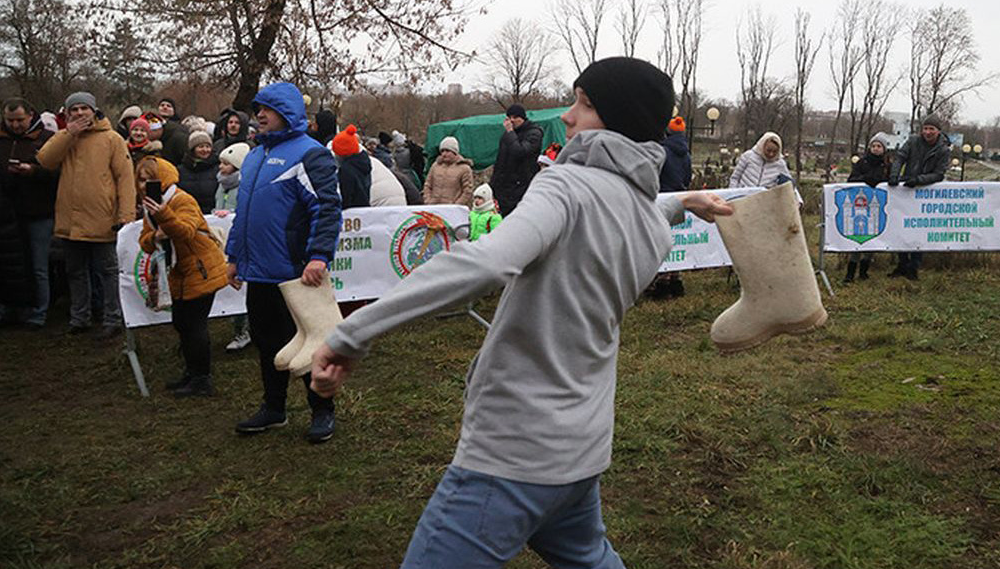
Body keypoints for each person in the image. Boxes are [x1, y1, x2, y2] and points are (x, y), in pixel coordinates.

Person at [308, 57, 733, 568]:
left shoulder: (565, 186)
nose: (569, 117)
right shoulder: (649, 220)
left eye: (585, 104)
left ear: (618, 119)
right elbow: (642, 204)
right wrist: (684, 199)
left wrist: (351, 332)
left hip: (515, 453)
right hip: (581, 445)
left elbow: (486, 261)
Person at [224, 81, 342, 443]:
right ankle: (273, 408)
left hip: (295, 273)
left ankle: (322, 410)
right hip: (258, 272)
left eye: (268, 109)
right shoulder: (256, 155)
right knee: (268, 343)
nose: (259, 114)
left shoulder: (310, 153)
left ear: (287, 113)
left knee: (311, 345)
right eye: (258, 108)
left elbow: (327, 208)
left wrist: (319, 256)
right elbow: (243, 213)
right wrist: (234, 257)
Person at [36, 92, 136, 338]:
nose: (80, 113)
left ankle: (113, 318)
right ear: (68, 113)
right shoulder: (66, 138)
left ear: (94, 111)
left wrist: (126, 215)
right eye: (74, 109)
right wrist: (69, 133)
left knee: (108, 272)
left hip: (103, 218)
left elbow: (125, 178)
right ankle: (79, 317)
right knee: (75, 271)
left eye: (84, 109)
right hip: (71, 219)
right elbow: (45, 160)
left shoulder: (112, 139)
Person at [136, 156, 228, 397]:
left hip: (201, 268)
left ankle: (202, 380)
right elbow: (145, 241)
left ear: (163, 179)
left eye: (150, 180)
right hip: (179, 271)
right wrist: (154, 237)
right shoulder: (150, 208)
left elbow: (185, 232)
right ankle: (192, 373)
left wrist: (165, 215)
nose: (145, 185)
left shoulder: (181, 200)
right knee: (181, 323)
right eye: (142, 180)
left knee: (194, 325)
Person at [0, 98, 57, 329]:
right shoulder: (1, 140)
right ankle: (8, 308)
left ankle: (38, 312)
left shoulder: (47, 141)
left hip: (38, 211)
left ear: (31, 116)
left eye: (19, 120)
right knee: (7, 263)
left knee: (38, 265)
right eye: (10, 120)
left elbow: (58, 173)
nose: (15, 125)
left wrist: (33, 171)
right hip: (5, 213)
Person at [887, 113, 952, 280]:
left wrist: (918, 180)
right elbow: (900, 157)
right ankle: (901, 264)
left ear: (938, 131)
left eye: (931, 129)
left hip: (925, 193)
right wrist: (894, 175)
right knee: (901, 228)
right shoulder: (913, 141)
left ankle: (913, 267)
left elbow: (939, 174)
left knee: (919, 231)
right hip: (906, 190)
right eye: (925, 128)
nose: (928, 132)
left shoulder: (943, 150)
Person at [214, 141, 252, 352]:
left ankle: (243, 329)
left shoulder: (244, 186)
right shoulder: (221, 185)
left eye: (226, 164)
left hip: (241, 243)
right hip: (225, 243)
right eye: (220, 163)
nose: (221, 167)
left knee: (242, 288)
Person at [651, 116, 693, 298]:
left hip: (662, 199)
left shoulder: (662, 151)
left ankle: (662, 282)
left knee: (661, 239)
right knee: (677, 240)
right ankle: (676, 279)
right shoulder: (686, 153)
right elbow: (687, 176)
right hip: (680, 198)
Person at [844, 139, 891, 283]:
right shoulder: (861, 163)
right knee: (857, 239)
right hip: (860, 204)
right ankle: (850, 273)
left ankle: (864, 272)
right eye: (873, 146)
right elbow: (851, 180)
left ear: (884, 149)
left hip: (877, 205)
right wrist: (865, 179)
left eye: (879, 146)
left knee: (872, 238)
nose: (876, 149)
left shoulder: (887, 165)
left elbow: (891, 181)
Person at [489, 104, 542, 215]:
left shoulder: (534, 133)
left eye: (515, 117)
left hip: (520, 187)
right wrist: (493, 184)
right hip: (503, 188)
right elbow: (500, 160)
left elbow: (520, 152)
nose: (512, 121)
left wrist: (510, 133)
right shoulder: (507, 134)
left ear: (522, 118)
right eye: (509, 117)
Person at [422, 136, 473, 206]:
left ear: (455, 152)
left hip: (452, 210)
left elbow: (467, 190)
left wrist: (457, 205)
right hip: (434, 207)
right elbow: (427, 185)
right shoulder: (435, 166)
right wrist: (428, 201)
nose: (444, 154)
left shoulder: (464, 168)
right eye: (442, 151)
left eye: (447, 151)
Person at [331, 125, 372, 209]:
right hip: (363, 211)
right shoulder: (363, 163)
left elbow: (346, 198)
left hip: (352, 214)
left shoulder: (346, 171)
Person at [178, 131, 219, 214]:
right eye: (201, 146)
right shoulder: (181, 170)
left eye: (208, 146)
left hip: (212, 215)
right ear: (193, 149)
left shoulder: (217, 168)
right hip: (189, 213)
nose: (205, 150)